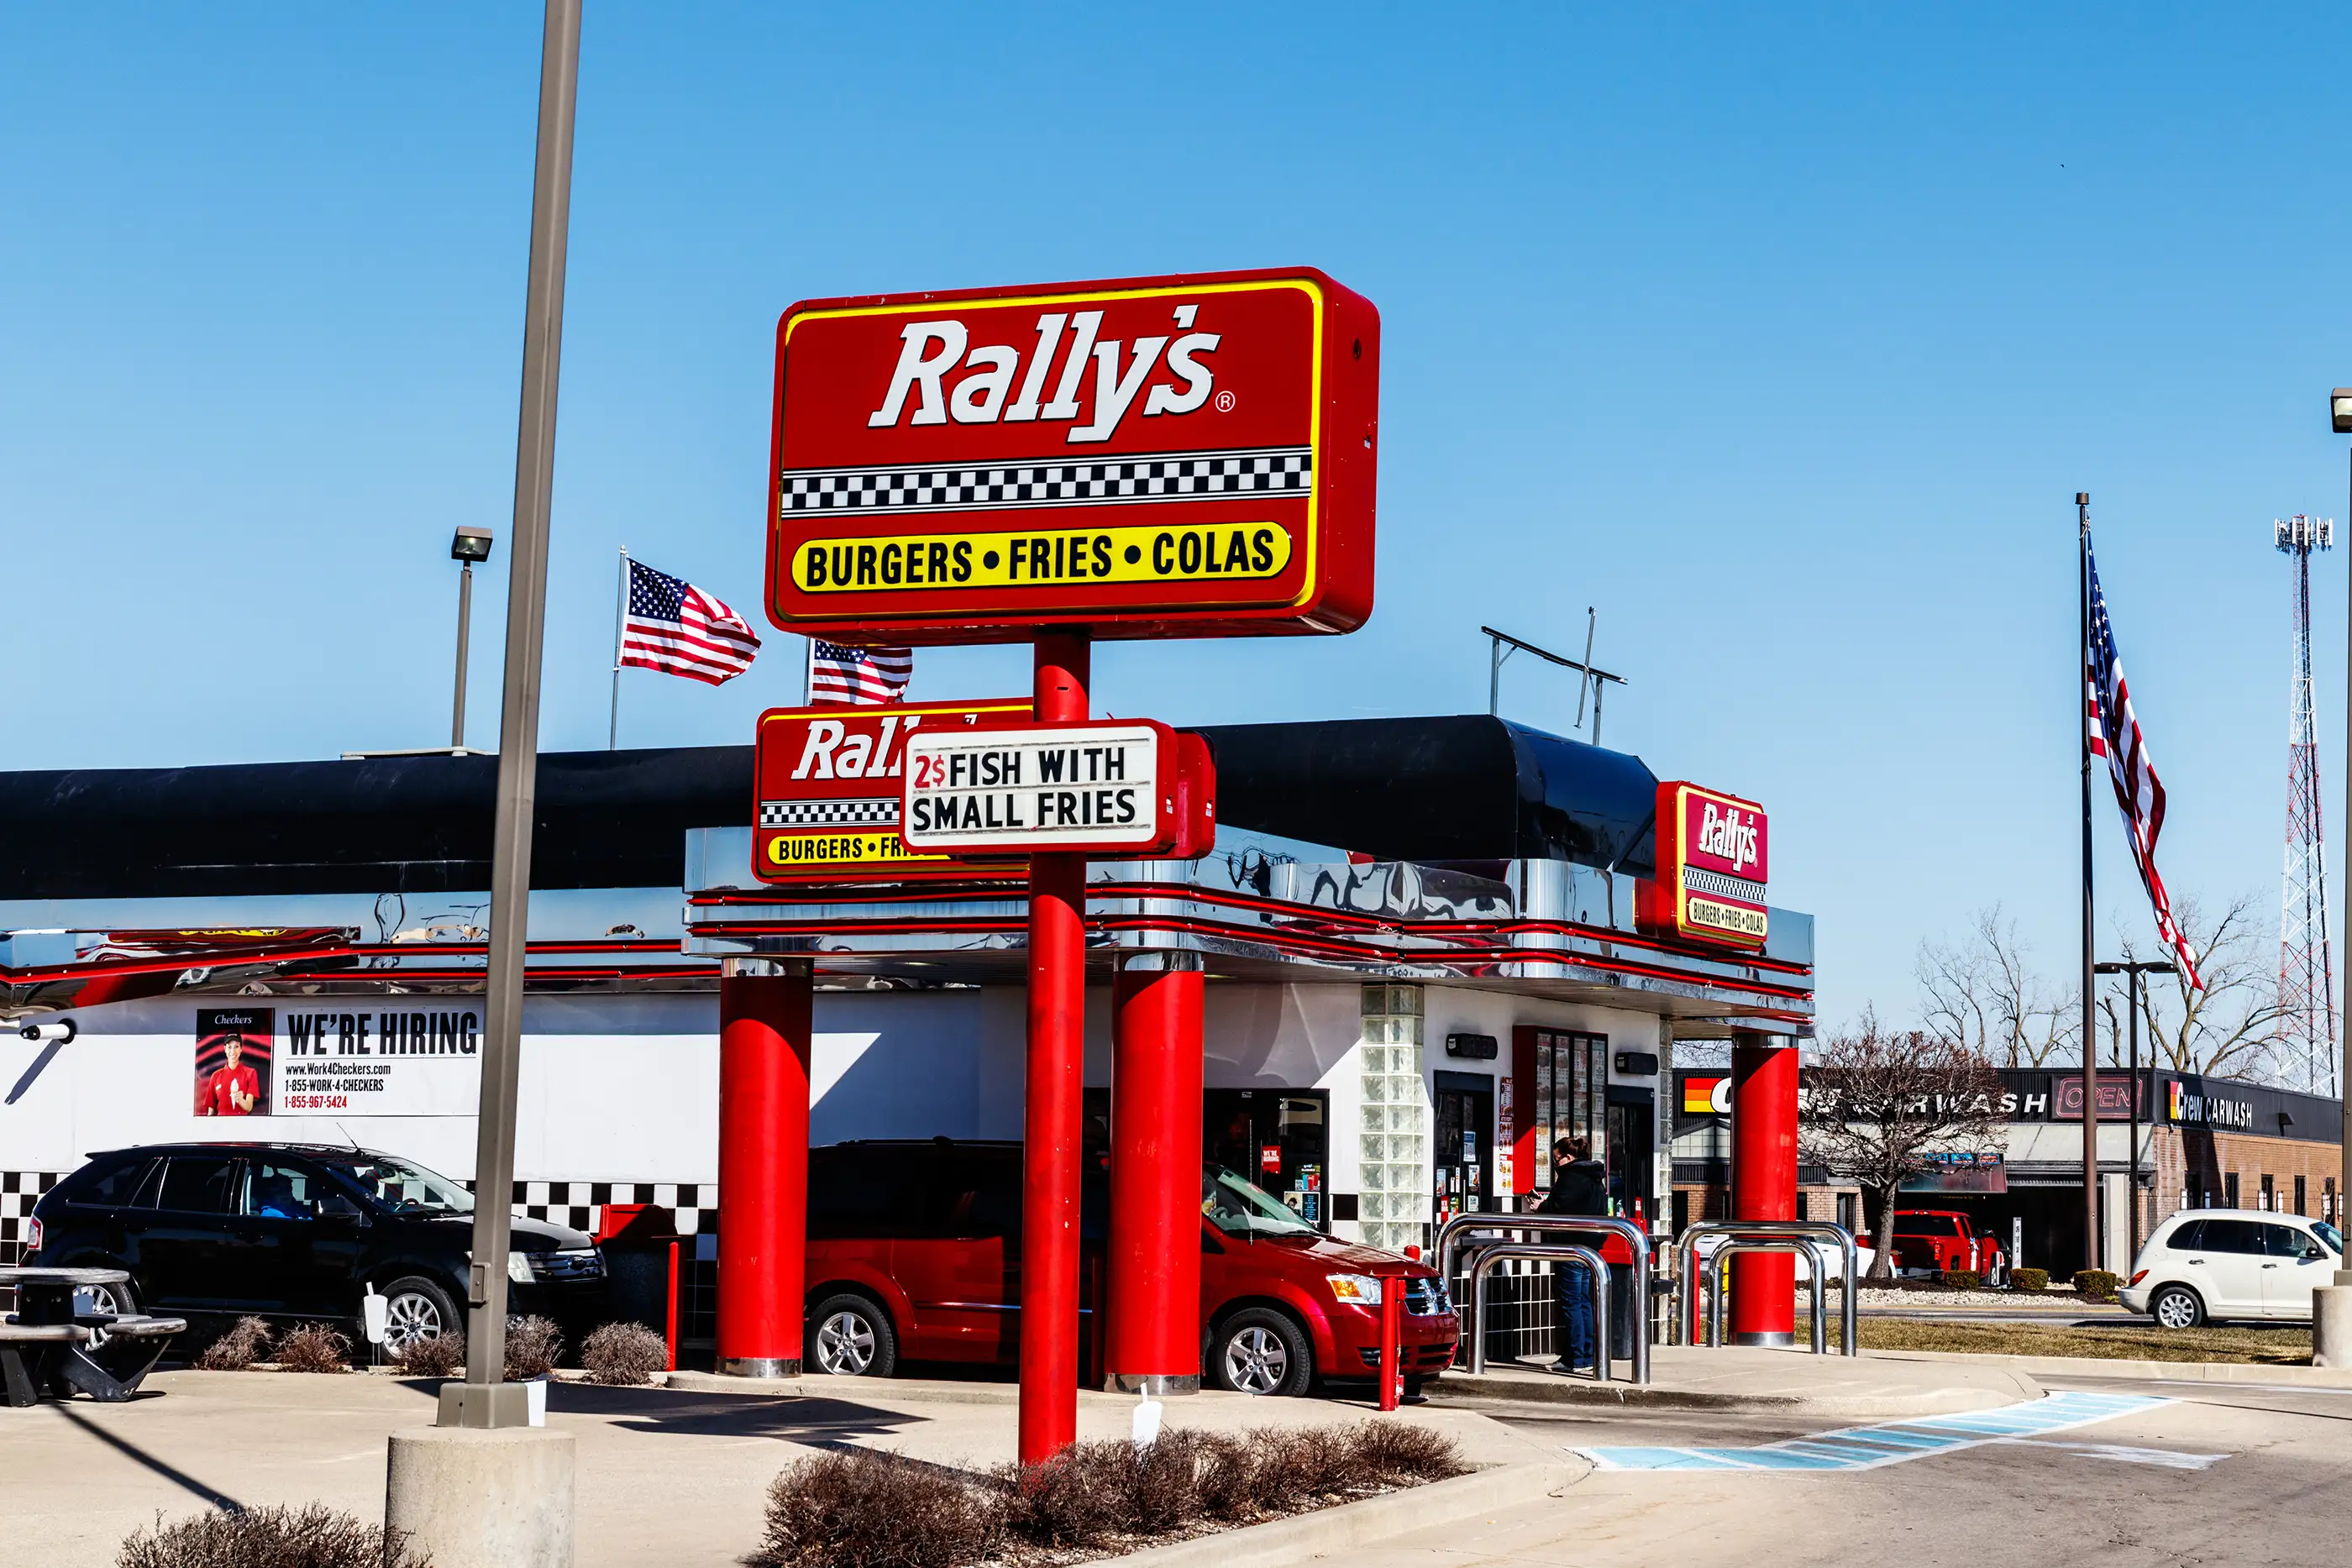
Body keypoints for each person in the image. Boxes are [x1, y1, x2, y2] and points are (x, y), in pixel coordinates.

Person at [1536, 1134, 1608, 1373]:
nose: (1555, 1166)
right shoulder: (1595, 1177)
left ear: (1568, 1158)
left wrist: (1540, 1206)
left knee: (1571, 1303)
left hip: (1570, 1247)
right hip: (1591, 1249)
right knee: (1584, 1302)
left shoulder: (1571, 1178)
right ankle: (1587, 1355)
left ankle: (1575, 1358)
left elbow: (1559, 1209)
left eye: (1556, 1160)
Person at [198, 1033, 260, 1117]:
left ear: (241, 1049)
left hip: (242, 1124)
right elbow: (211, 1112)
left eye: (236, 1047)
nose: (233, 1051)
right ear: (225, 1049)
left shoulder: (250, 1073)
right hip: (221, 1126)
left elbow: (248, 1107)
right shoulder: (216, 1075)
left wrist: (240, 1100)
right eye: (229, 1047)